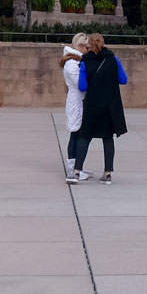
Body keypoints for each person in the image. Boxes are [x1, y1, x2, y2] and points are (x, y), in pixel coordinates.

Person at [74, 31, 127, 183]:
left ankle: (76, 171)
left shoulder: (85, 62)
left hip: (92, 105)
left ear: (89, 45)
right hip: (110, 106)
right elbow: (123, 80)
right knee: (107, 138)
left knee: (84, 137)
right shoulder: (113, 59)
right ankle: (107, 174)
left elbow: (82, 86)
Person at [61, 34, 88, 183]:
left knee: (79, 134)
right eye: (86, 47)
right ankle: (72, 168)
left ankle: (78, 166)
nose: (88, 50)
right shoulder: (72, 63)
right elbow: (80, 84)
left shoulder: (77, 61)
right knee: (75, 133)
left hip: (80, 101)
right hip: (76, 101)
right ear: (79, 46)